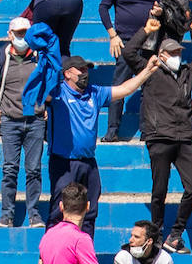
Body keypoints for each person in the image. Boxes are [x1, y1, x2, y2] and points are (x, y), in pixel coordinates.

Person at [128, 24, 192, 254]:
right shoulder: (151, 70)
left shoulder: (188, 71)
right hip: (159, 137)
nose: (178, 56)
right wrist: (146, 31)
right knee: (159, 191)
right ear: (162, 55)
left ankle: (175, 235)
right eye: (173, 53)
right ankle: (156, 236)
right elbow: (128, 53)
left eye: (179, 52)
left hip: (184, 138)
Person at [46, 52, 147, 237]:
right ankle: (51, 256)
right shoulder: (58, 92)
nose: (85, 73)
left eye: (87, 69)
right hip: (64, 162)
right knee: (59, 211)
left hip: (89, 162)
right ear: (67, 73)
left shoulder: (95, 92)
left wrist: (147, 71)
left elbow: (124, 89)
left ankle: (85, 253)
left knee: (89, 211)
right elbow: (40, 95)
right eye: (81, 70)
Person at [0, 17, 46, 228]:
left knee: (34, 169)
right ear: (9, 35)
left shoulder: (40, 56)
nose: (23, 37)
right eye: (18, 33)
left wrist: (47, 105)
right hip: (9, 121)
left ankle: (34, 214)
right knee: (10, 169)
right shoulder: (1, 56)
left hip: (35, 121)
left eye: (26, 33)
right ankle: (6, 214)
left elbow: (54, 82)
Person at [99, 0, 165, 141]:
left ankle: (148, 131)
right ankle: (112, 131)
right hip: (126, 42)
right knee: (119, 87)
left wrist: (161, 11)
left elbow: (166, 5)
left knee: (150, 88)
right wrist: (112, 35)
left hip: (150, 42)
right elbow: (103, 8)